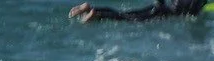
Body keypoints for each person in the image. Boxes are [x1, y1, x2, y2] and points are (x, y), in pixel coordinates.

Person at [70, 0, 206, 20]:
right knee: (126, 19)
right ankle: (98, 15)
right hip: (164, 13)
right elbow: (192, 12)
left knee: (125, 13)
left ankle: (91, 8)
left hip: (159, 7)